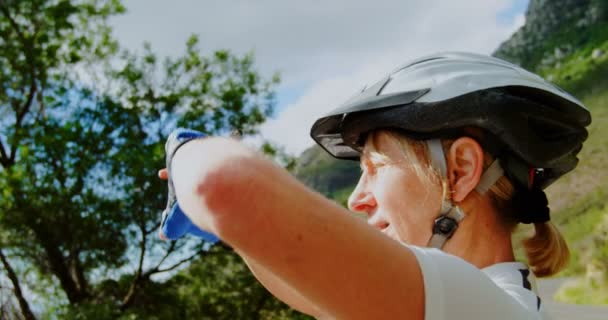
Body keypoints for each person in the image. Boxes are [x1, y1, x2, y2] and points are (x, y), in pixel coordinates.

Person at [157, 52, 591, 319]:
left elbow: (223, 184)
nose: (356, 198)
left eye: (376, 167)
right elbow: (308, 292)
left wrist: (186, 156)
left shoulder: (478, 308)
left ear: (459, 171)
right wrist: (227, 229)